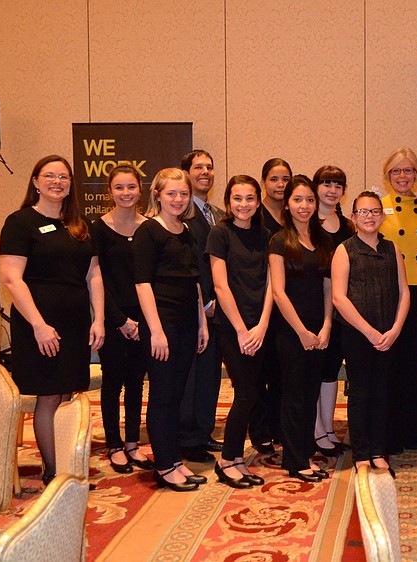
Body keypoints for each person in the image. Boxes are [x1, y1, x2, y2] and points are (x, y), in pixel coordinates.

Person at [0, 155, 104, 485]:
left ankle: (68, 463)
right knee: (48, 396)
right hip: (38, 323)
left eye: (63, 177)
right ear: (35, 181)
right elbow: (11, 278)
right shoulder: (20, 222)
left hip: (74, 323)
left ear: (71, 184)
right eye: (49, 175)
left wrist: (98, 318)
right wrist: (38, 325)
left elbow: (94, 274)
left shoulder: (79, 224)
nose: (57, 181)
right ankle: (54, 471)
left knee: (68, 394)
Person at [133, 168, 209, 492]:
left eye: (182, 193)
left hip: (188, 322)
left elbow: (193, 281)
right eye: (171, 193)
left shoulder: (188, 230)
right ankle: (164, 466)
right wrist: (157, 331)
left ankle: (174, 460)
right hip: (161, 323)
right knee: (162, 396)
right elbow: (142, 283)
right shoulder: (149, 231)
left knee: (176, 395)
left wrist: (202, 321)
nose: (177, 199)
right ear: (157, 195)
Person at [332, 191, 410, 477]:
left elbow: (404, 293)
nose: (369, 216)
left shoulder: (392, 248)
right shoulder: (345, 249)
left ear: (382, 215)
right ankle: (361, 453)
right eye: (363, 212)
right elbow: (339, 298)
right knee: (360, 392)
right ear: (353, 217)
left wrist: (395, 329)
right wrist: (369, 332)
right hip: (357, 334)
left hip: (389, 334)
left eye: (375, 211)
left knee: (382, 391)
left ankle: (378, 451)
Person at [207, 175, 273, 489]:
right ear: (228, 201)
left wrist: (261, 325)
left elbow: (273, 283)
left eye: (249, 198)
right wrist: (242, 330)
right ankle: (227, 460)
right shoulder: (219, 234)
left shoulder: (266, 235)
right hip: (232, 327)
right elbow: (220, 285)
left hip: (261, 326)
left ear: (258, 202)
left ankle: (234, 459)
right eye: (237, 198)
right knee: (245, 393)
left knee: (253, 394)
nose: (243, 204)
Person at [269, 175, 334, 482]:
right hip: (291, 331)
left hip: (318, 329)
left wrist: (326, 325)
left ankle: (305, 451)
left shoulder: (323, 241)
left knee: (310, 394)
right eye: (298, 199)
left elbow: (327, 287)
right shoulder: (279, 240)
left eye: (309, 199)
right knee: (294, 395)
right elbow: (278, 292)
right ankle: (294, 461)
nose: (304, 206)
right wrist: (301, 332)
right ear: (287, 204)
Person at [92, 164, 153, 474]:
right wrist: (119, 320)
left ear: (140, 190)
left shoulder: (149, 228)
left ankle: (132, 443)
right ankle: (114, 445)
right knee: (112, 383)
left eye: (131, 187)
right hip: (114, 320)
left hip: (144, 322)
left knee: (135, 383)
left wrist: (143, 322)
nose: (126, 193)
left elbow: (151, 278)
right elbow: (97, 277)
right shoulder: (98, 229)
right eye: (120, 187)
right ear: (110, 192)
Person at [379, 147, 417, 452]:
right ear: (387, 175)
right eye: (396, 171)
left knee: (412, 366)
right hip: (387, 293)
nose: (403, 176)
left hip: (416, 293)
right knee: (388, 364)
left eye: (409, 170)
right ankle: (388, 435)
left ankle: (412, 434)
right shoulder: (377, 209)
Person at [179, 150, 224, 463]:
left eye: (209, 167)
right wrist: (205, 302)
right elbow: (191, 263)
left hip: (220, 307)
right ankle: (187, 438)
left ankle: (203, 432)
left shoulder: (218, 213)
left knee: (210, 374)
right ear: (186, 173)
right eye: (198, 167)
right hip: (196, 306)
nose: (205, 172)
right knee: (191, 376)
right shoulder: (181, 214)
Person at [249, 157, 293, 455]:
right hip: (261, 302)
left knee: (282, 372)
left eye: (285, 179)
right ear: (263, 182)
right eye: (275, 179)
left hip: (289, 305)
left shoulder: (295, 215)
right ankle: (259, 428)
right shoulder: (255, 216)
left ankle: (279, 427)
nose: (280, 185)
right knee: (258, 372)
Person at [313, 165, 354, 457]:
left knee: (330, 371)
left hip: (344, 309)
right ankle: (316, 431)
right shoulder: (307, 221)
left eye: (337, 185)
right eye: (326, 184)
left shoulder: (349, 225)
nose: (331, 190)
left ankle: (327, 429)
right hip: (314, 307)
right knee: (313, 372)